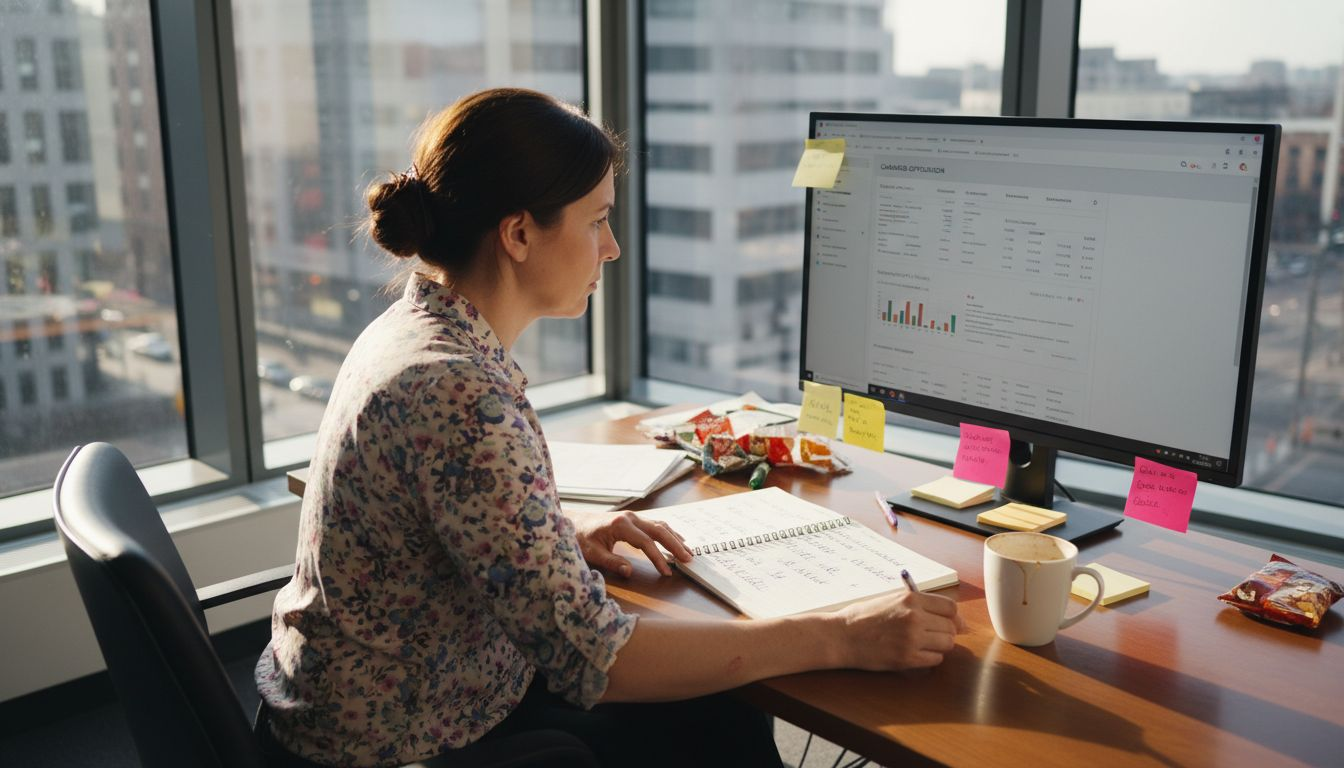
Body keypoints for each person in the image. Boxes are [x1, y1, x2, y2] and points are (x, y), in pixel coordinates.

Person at [255, 87, 965, 768]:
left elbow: (448, 520)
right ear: (520, 232)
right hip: (398, 738)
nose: (612, 247)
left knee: (717, 705)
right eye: (596, 220)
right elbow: (599, 659)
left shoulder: (421, 328)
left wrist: (555, 539)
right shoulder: (461, 393)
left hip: (368, 697)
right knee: (718, 717)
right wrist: (841, 635)